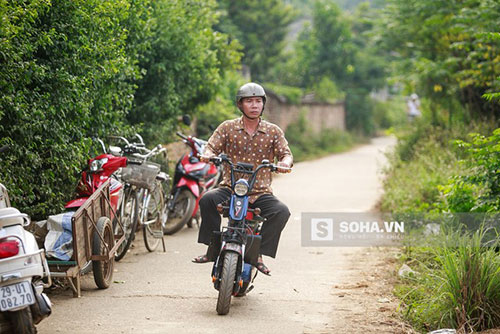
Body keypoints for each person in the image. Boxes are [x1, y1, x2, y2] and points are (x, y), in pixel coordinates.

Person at [192, 82, 293, 276]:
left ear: (263, 104)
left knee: (282, 212)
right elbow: (211, 146)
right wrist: (207, 154)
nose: (254, 105)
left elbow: (285, 153)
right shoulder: (228, 127)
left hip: (259, 193)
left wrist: (285, 163)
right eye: (249, 101)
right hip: (230, 188)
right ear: (240, 104)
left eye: (258, 101)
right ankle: (212, 249)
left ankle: (259, 254)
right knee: (207, 199)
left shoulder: (273, 131)